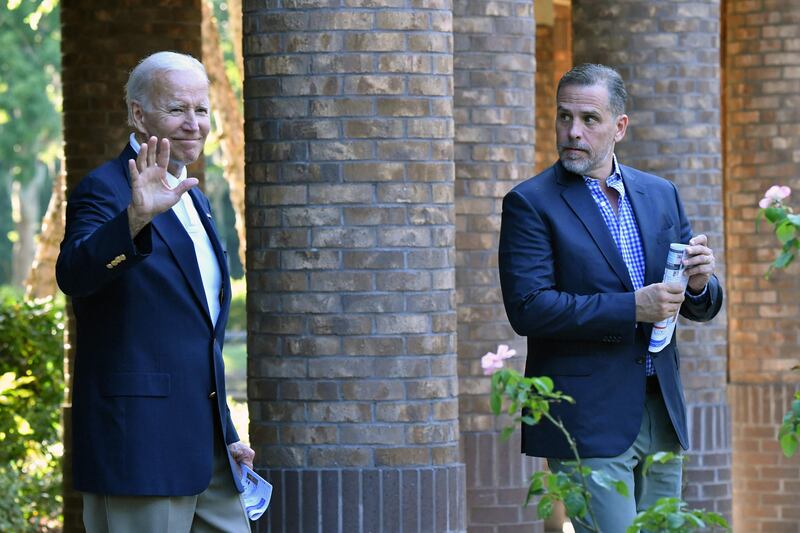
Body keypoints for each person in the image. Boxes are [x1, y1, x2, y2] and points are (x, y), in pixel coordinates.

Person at [498, 63, 723, 532]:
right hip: (586, 416)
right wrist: (631, 308)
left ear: (619, 126)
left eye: (589, 119)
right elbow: (529, 307)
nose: (572, 131)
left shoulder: (662, 194)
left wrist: (701, 285)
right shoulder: (530, 203)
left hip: (660, 409)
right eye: (564, 117)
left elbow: (696, 304)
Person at [56, 51, 253, 532]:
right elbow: (74, 275)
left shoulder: (196, 198)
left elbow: (196, 333)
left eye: (201, 110)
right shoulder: (105, 190)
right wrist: (135, 220)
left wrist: (224, 433)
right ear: (138, 115)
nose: (194, 124)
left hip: (207, 454)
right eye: (177, 110)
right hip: (138, 451)